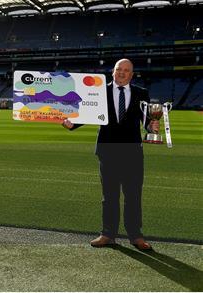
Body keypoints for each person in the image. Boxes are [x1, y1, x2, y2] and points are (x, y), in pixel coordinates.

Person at [62, 59, 159, 251]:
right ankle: (108, 234)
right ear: (113, 72)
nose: (122, 73)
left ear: (132, 74)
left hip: (132, 151)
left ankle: (136, 235)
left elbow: (146, 121)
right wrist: (72, 124)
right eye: (118, 69)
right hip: (108, 150)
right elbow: (88, 112)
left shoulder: (142, 93)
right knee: (110, 196)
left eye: (126, 70)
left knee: (133, 195)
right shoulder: (99, 91)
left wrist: (151, 126)